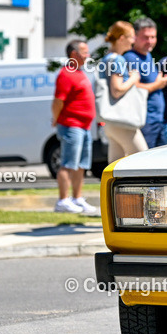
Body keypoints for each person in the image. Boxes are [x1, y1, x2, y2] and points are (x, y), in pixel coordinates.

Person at [52, 40, 99, 215]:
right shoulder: (66, 74)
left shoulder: (79, 73)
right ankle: (63, 201)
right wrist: (56, 119)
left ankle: (77, 198)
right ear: (74, 54)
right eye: (85, 52)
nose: (88, 56)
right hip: (72, 125)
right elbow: (58, 102)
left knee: (81, 165)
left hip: (84, 126)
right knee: (68, 164)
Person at [98, 21, 148, 163]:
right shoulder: (117, 60)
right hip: (122, 121)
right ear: (121, 38)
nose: (133, 41)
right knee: (143, 159)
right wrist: (133, 78)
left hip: (111, 122)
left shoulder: (106, 58)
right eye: (131, 37)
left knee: (116, 165)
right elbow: (117, 90)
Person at [123, 18, 167, 148]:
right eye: (145, 37)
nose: (150, 41)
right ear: (135, 37)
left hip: (157, 120)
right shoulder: (130, 57)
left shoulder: (148, 55)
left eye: (153, 37)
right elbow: (132, 87)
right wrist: (158, 85)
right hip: (145, 122)